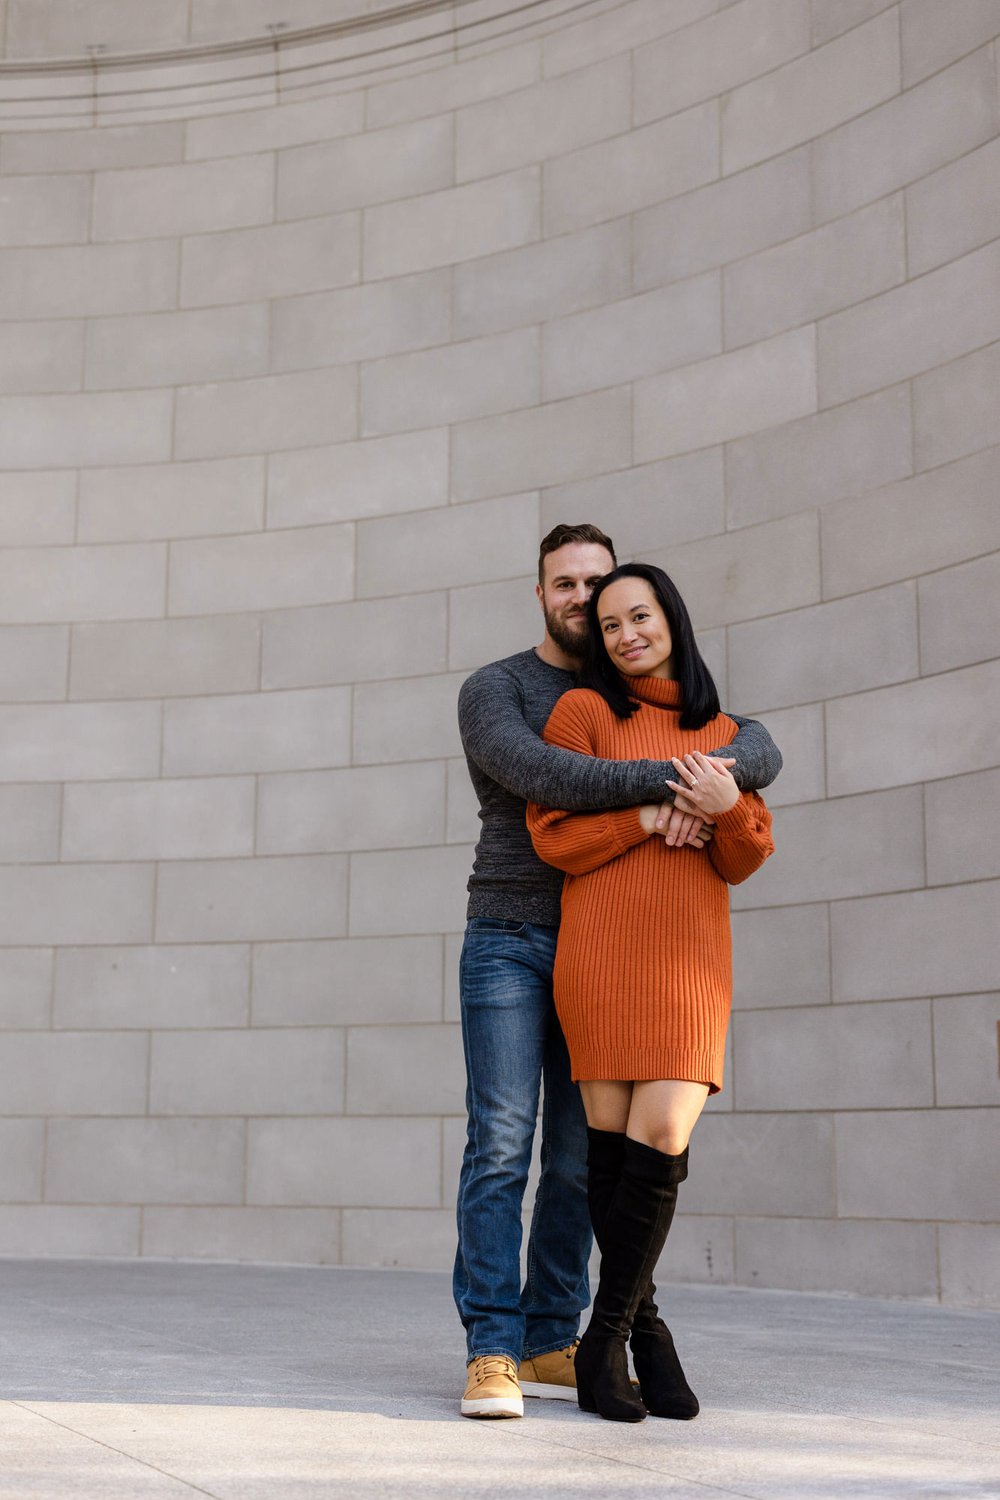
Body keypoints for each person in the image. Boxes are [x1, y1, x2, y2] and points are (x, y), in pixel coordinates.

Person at [455, 525, 782, 1420]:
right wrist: (675, 793)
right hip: (516, 935)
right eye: (570, 587)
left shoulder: (676, 709)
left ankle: (562, 1334)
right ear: (544, 595)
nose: (590, 606)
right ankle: (493, 1347)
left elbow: (757, 756)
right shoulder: (506, 691)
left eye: (605, 592)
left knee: (577, 1158)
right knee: (502, 1140)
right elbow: (546, 783)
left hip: (622, 943)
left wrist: (719, 784)